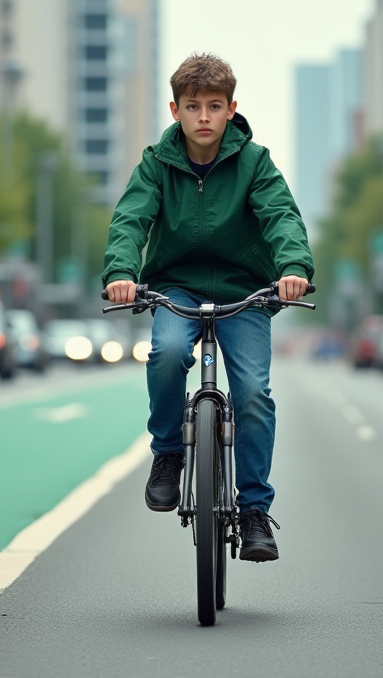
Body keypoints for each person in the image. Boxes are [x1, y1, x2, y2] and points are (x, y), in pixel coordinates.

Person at [103, 53, 313, 563]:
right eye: (192, 106)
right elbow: (131, 219)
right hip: (177, 287)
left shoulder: (255, 162)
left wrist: (293, 267)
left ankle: (254, 511)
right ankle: (169, 454)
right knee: (167, 352)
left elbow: (280, 215)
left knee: (253, 394)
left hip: (244, 291)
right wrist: (121, 274)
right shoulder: (157, 163)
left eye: (214, 106)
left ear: (231, 109)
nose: (203, 117)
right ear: (175, 109)